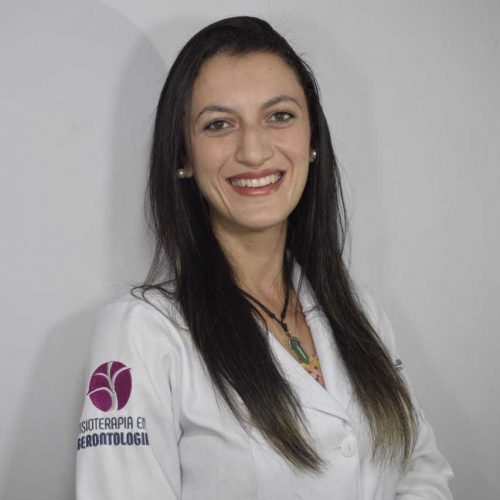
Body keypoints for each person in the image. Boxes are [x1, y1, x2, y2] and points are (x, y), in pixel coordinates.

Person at [75, 15, 454, 500]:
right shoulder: (142, 332)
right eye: (218, 124)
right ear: (184, 156)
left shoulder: (360, 310)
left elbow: (421, 469)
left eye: (279, 116)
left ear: (312, 140)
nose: (253, 151)